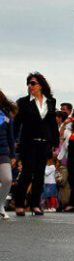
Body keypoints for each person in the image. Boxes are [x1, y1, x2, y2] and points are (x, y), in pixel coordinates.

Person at [11, 73, 59, 216]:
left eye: (33, 83)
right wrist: (13, 140)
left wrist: (55, 142)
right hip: (28, 143)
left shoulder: (50, 101)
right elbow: (17, 123)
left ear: (41, 85)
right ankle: (19, 204)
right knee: (26, 173)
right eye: (29, 83)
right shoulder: (23, 102)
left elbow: (52, 124)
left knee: (39, 175)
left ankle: (35, 204)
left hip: (44, 143)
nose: (30, 86)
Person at [0, 89, 15, 220]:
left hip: (3, 150)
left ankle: (1, 204)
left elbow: (11, 136)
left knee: (8, 179)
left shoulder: (6, 114)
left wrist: (13, 155)